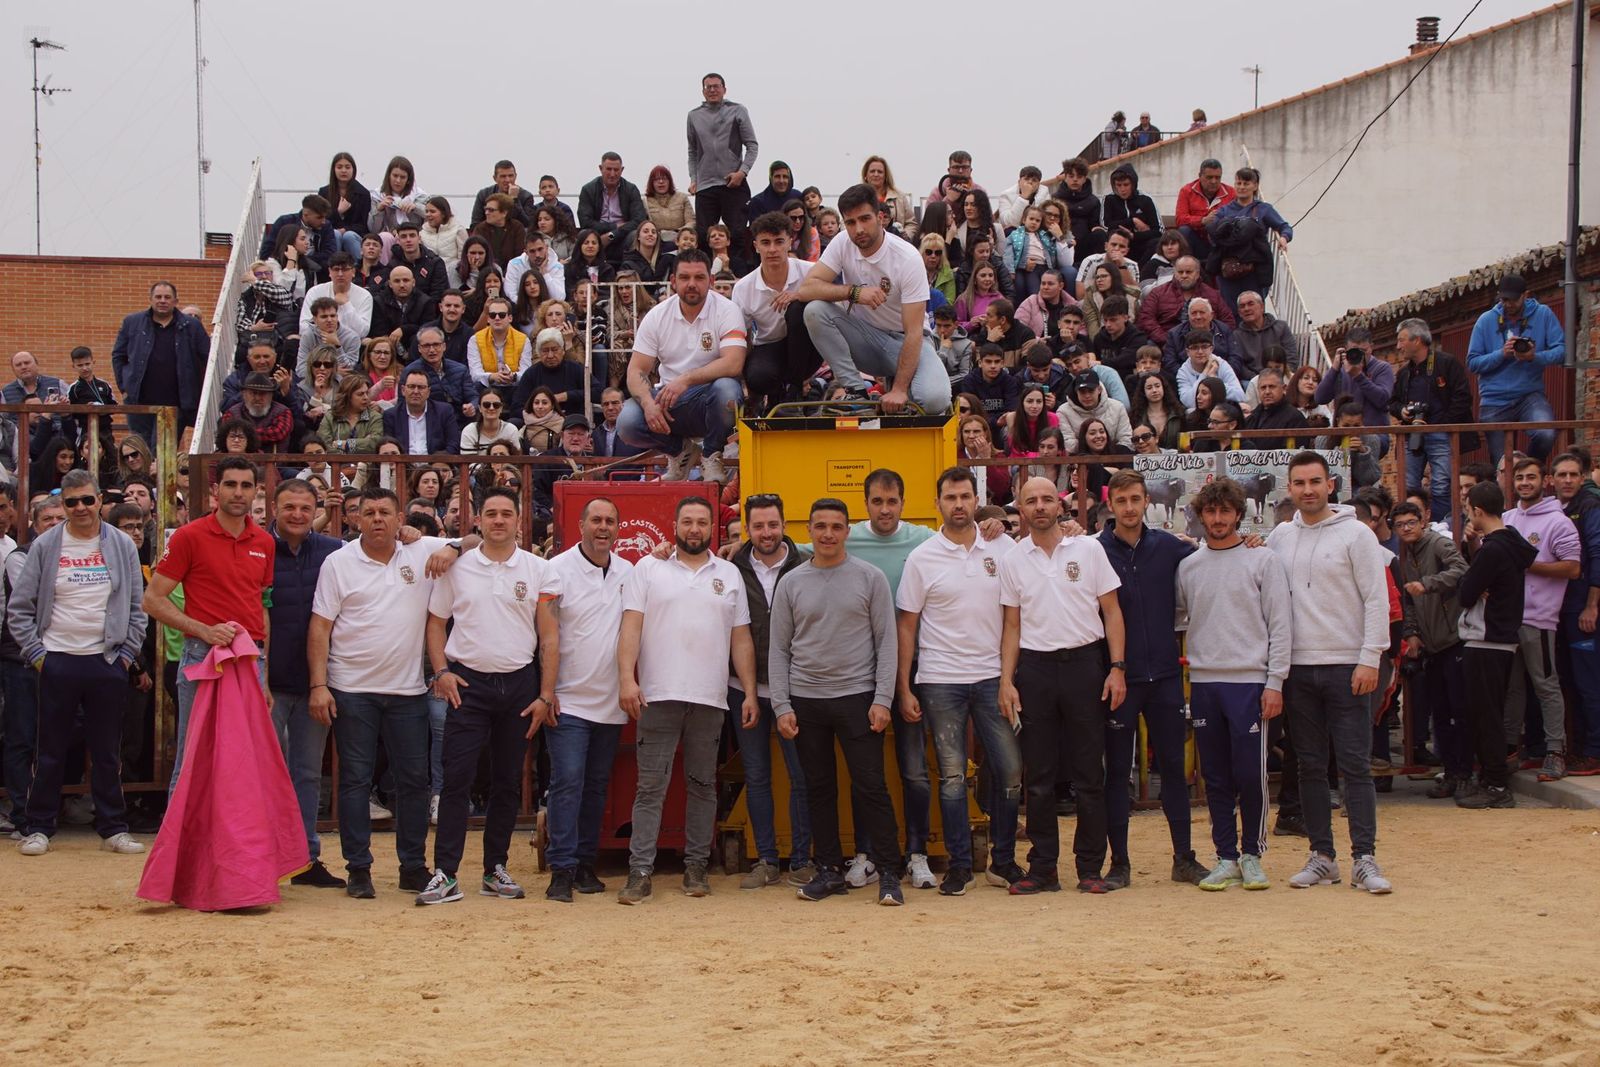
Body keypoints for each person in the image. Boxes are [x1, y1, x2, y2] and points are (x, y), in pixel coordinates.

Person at [308, 487, 465, 899]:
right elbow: (320, 628)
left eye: (385, 513)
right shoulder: (338, 563)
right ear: (356, 519)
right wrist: (319, 685)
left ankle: (412, 866)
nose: (377, 519)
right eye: (369, 512)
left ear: (401, 520)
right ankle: (359, 868)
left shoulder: (419, 550)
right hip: (351, 690)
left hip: (408, 690)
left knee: (414, 781)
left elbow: (478, 539)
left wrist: (451, 548)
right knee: (356, 782)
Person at [415, 488, 558, 906]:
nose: (498, 521)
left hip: (518, 685)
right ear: (478, 521)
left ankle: (495, 869)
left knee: (507, 783)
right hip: (467, 686)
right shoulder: (458, 567)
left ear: (519, 520)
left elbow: (549, 637)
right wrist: (441, 671)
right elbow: (435, 623)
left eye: (506, 514)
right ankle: (445, 873)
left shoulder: (539, 569)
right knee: (456, 780)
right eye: (491, 514)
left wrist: (545, 694)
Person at [615, 496, 756, 903]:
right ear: (675, 525)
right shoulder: (648, 568)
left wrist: (748, 691)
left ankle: (696, 867)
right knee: (650, 788)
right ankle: (639, 872)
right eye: (687, 522)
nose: (694, 529)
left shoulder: (728, 574)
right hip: (658, 694)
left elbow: (740, 637)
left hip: (710, 698)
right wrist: (628, 679)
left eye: (701, 523)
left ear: (711, 527)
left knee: (702, 785)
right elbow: (631, 626)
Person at [1267, 452, 1393, 893]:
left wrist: (1370, 656)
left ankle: (1364, 858)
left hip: (1347, 665)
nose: (1308, 490)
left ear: (1331, 484)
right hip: (1299, 669)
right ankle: (1323, 856)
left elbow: (1376, 599)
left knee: (1355, 766)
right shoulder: (1280, 536)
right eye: (1299, 482)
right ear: (1289, 487)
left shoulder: (1357, 534)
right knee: (1310, 767)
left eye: (1315, 481)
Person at [895, 468, 1022, 894]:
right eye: (951, 497)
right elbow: (907, 627)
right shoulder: (922, 557)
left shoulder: (1002, 547)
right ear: (938, 504)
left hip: (991, 678)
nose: (959, 504)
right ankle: (960, 867)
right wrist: (904, 686)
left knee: (1008, 771)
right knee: (951, 777)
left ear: (976, 499)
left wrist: (1008, 678)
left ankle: (1003, 862)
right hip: (939, 680)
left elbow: (1012, 620)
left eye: (966, 496)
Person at [771, 498, 903, 906]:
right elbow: (778, 649)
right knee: (817, 788)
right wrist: (782, 705)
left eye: (836, 526)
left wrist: (883, 699)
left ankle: (888, 874)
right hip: (806, 700)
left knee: (872, 787)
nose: (828, 533)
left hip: (858, 699)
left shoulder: (870, 578)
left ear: (847, 531)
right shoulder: (791, 582)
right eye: (820, 526)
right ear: (808, 530)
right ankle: (828, 870)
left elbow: (887, 641)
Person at [8, 471, 147, 858]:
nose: (80, 508)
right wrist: (39, 656)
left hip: (106, 660)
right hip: (57, 659)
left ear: (100, 499)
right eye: (71, 503)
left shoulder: (121, 544)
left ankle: (113, 828)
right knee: (50, 749)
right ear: (62, 505)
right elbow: (19, 609)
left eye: (87, 500)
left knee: (107, 751)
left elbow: (138, 607)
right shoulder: (45, 545)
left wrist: (124, 656)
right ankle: (39, 827)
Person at [999, 476, 1126, 895]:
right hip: (1035, 669)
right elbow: (1012, 625)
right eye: (1030, 501)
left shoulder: (1088, 549)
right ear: (1019, 508)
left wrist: (1117, 668)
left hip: (1085, 665)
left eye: (1046, 499)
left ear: (1061, 505)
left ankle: (1090, 867)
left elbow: (1111, 611)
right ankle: (1043, 869)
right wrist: (1007, 681)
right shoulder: (1014, 560)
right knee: (1039, 775)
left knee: (1090, 772)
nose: (1039, 507)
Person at [1094, 471, 1211, 888]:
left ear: (1147, 502)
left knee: (1175, 771)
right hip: (1119, 678)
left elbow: (1214, 553)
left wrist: (1251, 541)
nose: (1129, 508)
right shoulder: (1094, 551)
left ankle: (1184, 858)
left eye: (1135, 500)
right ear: (1111, 504)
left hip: (1163, 675)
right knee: (1116, 776)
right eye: (1121, 500)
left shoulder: (1169, 548)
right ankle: (1119, 863)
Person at [1176, 477, 1292, 891]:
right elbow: (1181, 616)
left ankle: (1253, 854)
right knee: (1217, 776)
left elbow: (1281, 625)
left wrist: (1274, 682)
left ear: (1239, 515)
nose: (1219, 518)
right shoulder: (1188, 567)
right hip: (1206, 683)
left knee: (1251, 773)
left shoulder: (1264, 562)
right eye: (1211, 511)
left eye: (1226, 511)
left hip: (1250, 683)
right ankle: (1225, 856)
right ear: (1201, 516)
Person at [142, 457, 274, 793]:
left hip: (249, 660)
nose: (238, 492)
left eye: (246, 485)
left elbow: (258, 607)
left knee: (244, 759)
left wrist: (265, 674)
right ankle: (179, 846)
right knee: (193, 756)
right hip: (203, 655)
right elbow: (152, 600)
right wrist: (204, 630)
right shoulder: (189, 536)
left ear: (257, 492)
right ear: (216, 490)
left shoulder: (264, 542)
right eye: (231, 484)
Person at [541, 498, 633, 901]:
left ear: (618, 528)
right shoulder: (555, 570)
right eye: (595, 519)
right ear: (580, 525)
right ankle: (560, 869)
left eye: (610, 521)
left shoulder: (629, 572)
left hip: (610, 702)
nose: (603, 527)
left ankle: (583, 865)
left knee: (595, 786)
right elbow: (543, 638)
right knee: (568, 784)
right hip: (568, 700)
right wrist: (546, 693)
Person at [723, 493, 814, 888]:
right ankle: (765, 861)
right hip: (744, 689)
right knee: (757, 775)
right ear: (748, 529)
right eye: (758, 526)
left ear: (784, 526)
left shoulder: (807, 565)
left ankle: (801, 860)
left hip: (795, 690)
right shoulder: (729, 569)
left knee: (802, 776)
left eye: (773, 525)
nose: (766, 533)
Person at [798, 184, 952, 415]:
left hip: (907, 342)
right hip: (866, 340)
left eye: (865, 219)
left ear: (880, 217)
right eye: (850, 222)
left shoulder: (907, 257)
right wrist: (854, 292)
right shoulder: (842, 243)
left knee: (934, 400)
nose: (858, 229)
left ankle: (902, 397)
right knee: (814, 310)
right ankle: (855, 391)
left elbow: (913, 332)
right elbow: (807, 289)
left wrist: (900, 389)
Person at [261, 479, 347, 887]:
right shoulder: (256, 549)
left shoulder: (333, 551)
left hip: (316, 682)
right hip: (269, 683)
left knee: (308, 773)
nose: (297, 514)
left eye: (304, 508)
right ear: (274, 509)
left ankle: (305, 858)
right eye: (289, 507)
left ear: (316, 510)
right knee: (264, 774)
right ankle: (264, 857)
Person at [616, 250, 747, 483]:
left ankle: (711, 454)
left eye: (699, 277)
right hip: (669, 401)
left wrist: (685, 380)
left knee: (727, 389)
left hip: (709, 398)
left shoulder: (727, 310)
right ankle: (680, 452)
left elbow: (734, 362)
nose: (692, 284)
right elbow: (635, 371)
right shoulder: (657, 316)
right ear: (673, 282)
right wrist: (648, 404)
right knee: (627, 422)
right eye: (685, 278)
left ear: (712, 281)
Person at [1455, 480, 1537, 809]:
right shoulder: (1511, 543)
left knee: (1484, 715)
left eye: (1467, 510)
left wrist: (1473, 571)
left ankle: (1496, 784)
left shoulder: (1493, 549)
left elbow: (1464, 594)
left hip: (1486, 638)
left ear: (1477, 511)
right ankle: (1491, 778)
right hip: (1500, 638)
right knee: (1488, 712)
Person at [1502, 457, 1581, 780]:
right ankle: (1508, 750)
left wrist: (1528, 565)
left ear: (1544, 480)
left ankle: (1555, 751)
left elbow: (1573, 568)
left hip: (1540, 619)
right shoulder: (1507, 518)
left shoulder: (1559, 522)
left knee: (1546, 685)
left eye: (1531, 477)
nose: (1524, 483)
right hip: (1508, 619)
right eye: (1519, 477)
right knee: (1512, 688)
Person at [1392, 501, 1472, 796]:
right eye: (1400, 525)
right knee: (1440, 713)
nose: (1406, 529)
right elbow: (1408, 600)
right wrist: (1411, 633)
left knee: (1460, 711)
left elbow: (1463, 570)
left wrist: (1429, 583)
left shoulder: (1438, 544)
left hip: (1454, 639)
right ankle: (1451, 773)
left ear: (1423, 520)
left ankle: (1465, 775)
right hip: (1431, 644)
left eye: (1411, 522)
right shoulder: (1406, 554)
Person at [1, 495, 65, 830]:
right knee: (22, 737)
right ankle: (24, 813)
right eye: (47, 521)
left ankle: (49, 809)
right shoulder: (19, 556)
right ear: (34, 524)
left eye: (60, 520)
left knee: (52, 738)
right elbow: (43, 598)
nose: (54, 526)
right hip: (22, 660)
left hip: (59, 658)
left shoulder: (71, 556)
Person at [1467, 273, 1564, 465]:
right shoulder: (1486, 320)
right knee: (1501, 463)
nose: (1508, 304)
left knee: (1546, 433)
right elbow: (1472, 363)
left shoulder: (1543, 314)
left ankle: (1528, 470)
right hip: (1494, 398)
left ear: (1525, 295)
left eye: (1512, 300)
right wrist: (1501, 353)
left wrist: (1534, 357)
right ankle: (1509, 487)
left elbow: (1562, 351)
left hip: (1530, 394)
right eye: (1504, 300)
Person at [1389, 317, 1475, 523]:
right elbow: (1393, 403)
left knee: (1442, 485)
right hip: (1413, 436)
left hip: (1441, 434)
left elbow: (1463, 397)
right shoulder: (1404, 373)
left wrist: (1442, 424)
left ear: (1417, 340)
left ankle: (1441, 527)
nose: (1398, 346)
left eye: (1402, 340)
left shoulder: (1446, 364)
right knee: (1409, 486)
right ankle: (1411, 524)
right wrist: (1403, 412)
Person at [733, 211, 818, 416]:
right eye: (766, 242)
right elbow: (742, 339)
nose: (772, 249)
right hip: (770, 346)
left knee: (799, 309)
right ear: (756, 246)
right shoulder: (744, 287)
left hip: (808, 346)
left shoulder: (811, 271)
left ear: (790, 242)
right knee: (759, 376)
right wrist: (748, 384)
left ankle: (795, 391)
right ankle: (776, 394)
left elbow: (834, 308)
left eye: (779, 241)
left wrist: (798, 295)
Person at [1550, 453, 1600, 776]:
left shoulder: (1590, 508)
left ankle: (1594, 752)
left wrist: (1592, 605)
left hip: (1583, 611)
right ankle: (1581, 749)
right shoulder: (1554, 510)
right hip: (1558, 612)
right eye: (1562, 475)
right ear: (1551, 480)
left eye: (1573, 474)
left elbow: (1597, 555)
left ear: (1583, 478)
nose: (1567, 480)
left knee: (1588, 683)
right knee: (1567, 682)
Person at [111, 282, 210, 444]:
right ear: (150, 299)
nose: (162, 301)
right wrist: (125, 388)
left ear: (175, 301)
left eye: (167, 297)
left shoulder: (192, 327)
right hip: (139, 403)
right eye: (158, 297)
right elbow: (118, 356)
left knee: (164, 454)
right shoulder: (132, 323)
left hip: (176, 406)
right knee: (141, 452)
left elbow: (207, 359)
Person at [686, 73, 758, 251]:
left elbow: (752, 145)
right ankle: (707, 275)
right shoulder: (694, 116)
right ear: (703, 91)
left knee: (738, 235)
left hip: (732, 183)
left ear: (724, 89)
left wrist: (742, 172)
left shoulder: (738, 110)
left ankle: (737, 276)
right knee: (703, 237)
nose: (712, 90)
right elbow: (692, 151)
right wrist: (694, 179)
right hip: (706, 186)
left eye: (716, 86)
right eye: (708, 87)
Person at [1207, 168, 1294, 313]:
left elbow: (1284, 226)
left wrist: (1284, 238)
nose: (1241, 187)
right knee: (1230, 311)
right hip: (1229, 270)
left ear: (1255, 186)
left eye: (1246, 183)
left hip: (1254, 270)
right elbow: (1213, 233)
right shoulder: (1224, 210)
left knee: (1254, 312)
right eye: (1238, 183)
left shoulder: (1263, 209)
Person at [1316, 328, 1394, 449]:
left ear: (1371, 347)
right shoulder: (1340, 371)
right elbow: (1320, 398)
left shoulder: (1382, 368)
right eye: (1355, 351)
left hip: (1373, 434)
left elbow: (1383, 399)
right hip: (1342, 435)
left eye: (1364, 350)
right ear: (1346, 350)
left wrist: (1358, 376)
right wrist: (1334, 369)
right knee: (1321, 442)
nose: (1360, 355)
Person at [1136, 256, 1232, 346]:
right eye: (1180, 272)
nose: (1184, 275)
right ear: (1175, 273)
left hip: (1205, 344)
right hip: (1165, 343)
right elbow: (1146, 319)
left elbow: (1228, 321)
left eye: (1189, 272)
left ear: (1197, 273)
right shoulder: (1157, 293)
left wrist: (1211, 340)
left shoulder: (1213, 295)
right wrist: (1167, 339)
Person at [577, 152, 648, 261]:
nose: (612, 174)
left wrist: (612, 235)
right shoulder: (588, 190)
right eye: (608, 169)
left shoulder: (631, 189)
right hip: (597, 236)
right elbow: (585, 221)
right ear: (601, 168)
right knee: (583, 235)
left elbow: (639, 220)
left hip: (624, 235)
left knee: (635, 235)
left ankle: (631, 270)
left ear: (622, 170)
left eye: (616, 170)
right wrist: (614, 227)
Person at [383, 369, 459, 456]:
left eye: (421, 387)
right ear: (403, 390)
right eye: (411, 386)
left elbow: (453, 444)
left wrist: (435, 463)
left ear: (428, 392)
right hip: (404, 466)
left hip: (435, 466)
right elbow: (389, 447)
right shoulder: (391, 415)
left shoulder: (444, 411)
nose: (416, 391)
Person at [1175, 159, 1235, 262]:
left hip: (1220, 242)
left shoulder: (1231, 193)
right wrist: (1202, 220)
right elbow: (1180, 219)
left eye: (1217, 177)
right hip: (1196, 241)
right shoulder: (1186, 191)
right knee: (1184, 230)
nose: (1214, 181)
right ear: (1200, 176)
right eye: (1209, 177)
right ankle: (1188, 266)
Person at [1232, 290, 1299, 377]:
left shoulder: (1281, 327)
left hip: (1282, 375)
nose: (1246, 309)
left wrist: (1281, 376)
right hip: (1253, 380)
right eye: (1242, 306)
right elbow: (1240, 365)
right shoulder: (1237, 335)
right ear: (1239, 313)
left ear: (1262, 307)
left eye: (1250, 304)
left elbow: (1291, 357)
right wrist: (1259, 379)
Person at [468, 297, 530, 387]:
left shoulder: (524, 340)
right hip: (486, 388)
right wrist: (492, 376)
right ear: (488, 319)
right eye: (493, 315)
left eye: (502, 315)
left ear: (510, 318)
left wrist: (513, 376)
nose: (497, 318)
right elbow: (475, 374)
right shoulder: (475, 339)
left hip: (513, 386)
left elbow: (526, 372)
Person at [1241, 367, 1309, 450]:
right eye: (1263, 388)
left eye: (1272, 387)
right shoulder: (1253, 417)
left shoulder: (1295, 418)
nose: (1267, 392)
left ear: (1284, 389)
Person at [319, 152, 372, 259]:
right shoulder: (324, 192)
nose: (344, 171)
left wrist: (345, 229)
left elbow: (364, 224)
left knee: (349, 236)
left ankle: (358, 269)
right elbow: (321, 220)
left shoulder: (363, 193)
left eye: (347, 167)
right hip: (331, 233)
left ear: (353, 169)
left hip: (354, 235)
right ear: (334, 170)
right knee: (335, 234)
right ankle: (334, 267)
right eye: (339, 167)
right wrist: (337, 212)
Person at [470, 160, 537, 229]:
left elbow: (528, 224)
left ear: (515, 176)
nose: (507, 180)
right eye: (503, 176)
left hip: (515, 235)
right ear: (495, 178)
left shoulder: (526, 196)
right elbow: (475, 224)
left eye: (510, 176)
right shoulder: (484, 194)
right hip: (489, 235)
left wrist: (515, 200)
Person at [505, 232, 568, 303]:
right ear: (526, 252)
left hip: (547, 309)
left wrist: (545, 273)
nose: (537, 255)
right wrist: (527, 306)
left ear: (546, 248)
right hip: (523, 309)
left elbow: (559, 298)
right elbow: (510, 293)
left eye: (540, 249)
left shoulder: (557, 266)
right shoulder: (514, 264)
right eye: (532, 251)